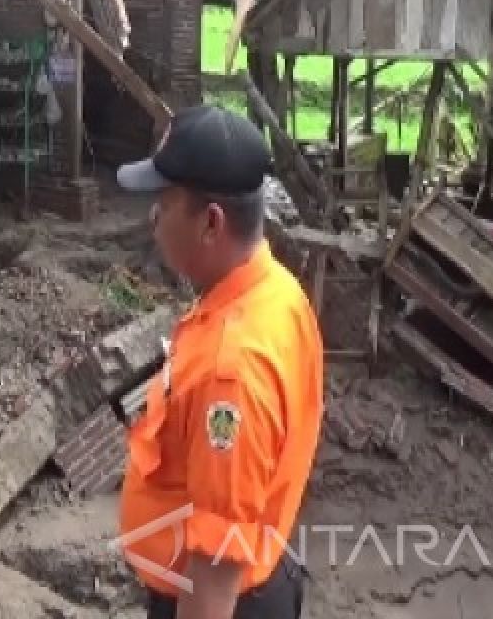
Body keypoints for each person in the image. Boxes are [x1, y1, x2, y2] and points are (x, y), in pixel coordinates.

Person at [114, 105, 324, 619]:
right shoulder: (275, 292)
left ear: (211, 223)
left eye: (164, 202)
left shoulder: (231, 372)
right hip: (261, 575)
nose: (153, 218)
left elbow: (214, 570)